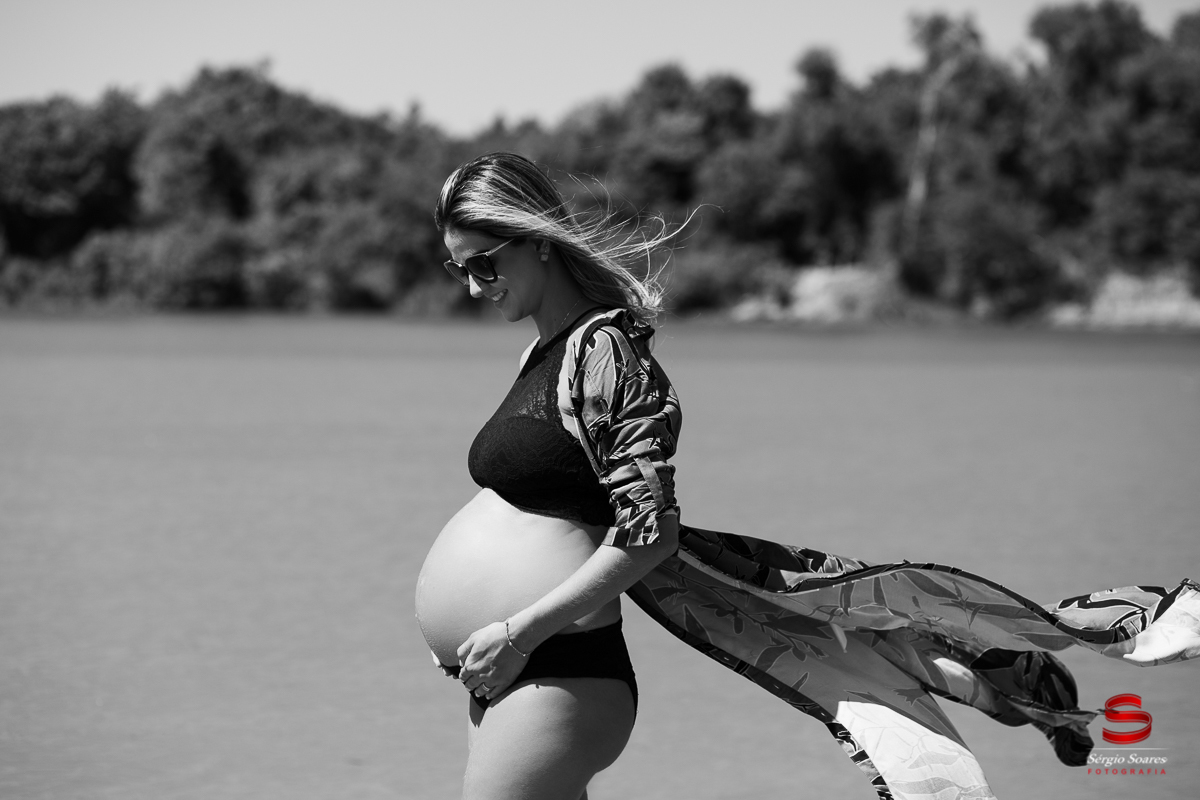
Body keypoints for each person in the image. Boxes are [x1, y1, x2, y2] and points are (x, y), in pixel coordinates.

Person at [416, 152, 1200, 800]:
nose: (474, 287)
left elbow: (648, 536)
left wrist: (517, 629)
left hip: (555, 667)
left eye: (485, 264)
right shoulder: (543, 353)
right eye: (459, 269)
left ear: (537, 239)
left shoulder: (606, 353)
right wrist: (470, 632)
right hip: (513, 667)